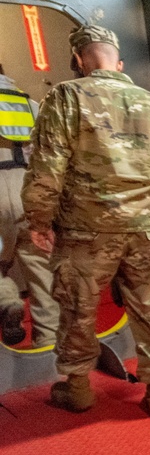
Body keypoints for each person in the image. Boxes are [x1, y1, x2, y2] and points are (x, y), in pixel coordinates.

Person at [22, 24, 150, 417]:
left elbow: (47, 167)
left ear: (78, 59)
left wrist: (39, 220)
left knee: (77, 310)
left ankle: (78, 390)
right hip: (149, 233)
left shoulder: (66, 97)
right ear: (117, 60)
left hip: (85, 233)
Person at [0, 65, 58, 347]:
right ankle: (48, 342)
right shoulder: (30, 104)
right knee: (41, 271)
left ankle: (8, 301)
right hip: (27, 190)